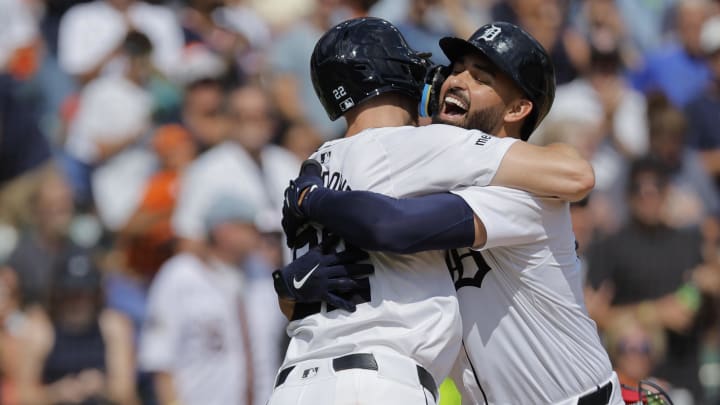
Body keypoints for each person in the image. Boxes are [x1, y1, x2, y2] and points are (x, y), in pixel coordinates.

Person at [277, 20, 623, 405]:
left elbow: (394, 226)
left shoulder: (524, 192)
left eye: (481, 77)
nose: (457, 80)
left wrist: (314, 200)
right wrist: (291, 285)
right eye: (457, 69)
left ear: (518, 107)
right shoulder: (425, 169)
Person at [139, 194, 285, 405]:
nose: (257, 236)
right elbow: (161, 360)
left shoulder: (263, 274)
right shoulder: (181, 275)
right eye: (248, 227)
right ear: (223, 231)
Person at [15, 249, 137, 405]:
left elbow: (126, 393)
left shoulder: (112, 326)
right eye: (70, 293)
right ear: (58, 293)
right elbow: (23, 396)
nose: (78, 301)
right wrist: (56, 393)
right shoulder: (40, 330)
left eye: (85, 293)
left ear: (96, 294)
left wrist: (101, 386)